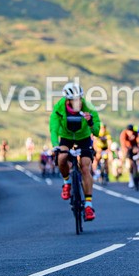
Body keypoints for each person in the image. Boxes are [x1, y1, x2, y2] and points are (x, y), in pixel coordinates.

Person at [49, 82, 101, 221]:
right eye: (74, 100)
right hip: (66, 137)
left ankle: (89, 206)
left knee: (85, 167)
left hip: (84, 138)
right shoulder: (59, 107)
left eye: (79, 99)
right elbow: (53, 129)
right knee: (61, 158)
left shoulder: (89, 107)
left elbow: (96, 132)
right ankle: (67, 183)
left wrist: (90, 122)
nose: (78, 102)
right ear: (68, 100)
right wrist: (55, 145)